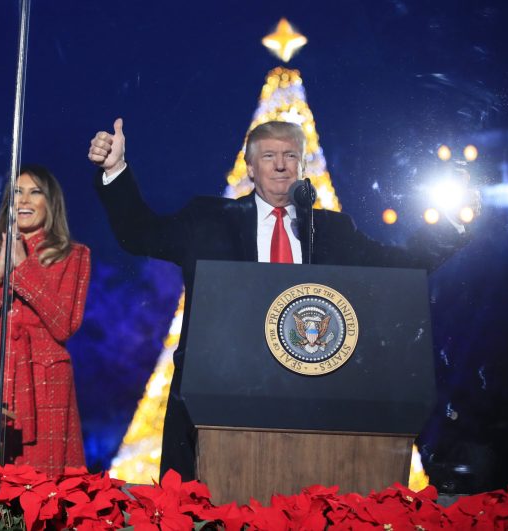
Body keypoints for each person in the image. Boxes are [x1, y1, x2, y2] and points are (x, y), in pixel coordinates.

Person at [88, 118, 473, 480]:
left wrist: (455, 223)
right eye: (268, 156)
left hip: (311, 403)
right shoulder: (208, 218)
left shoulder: (333, 230)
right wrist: (115, 169)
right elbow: (140, 233)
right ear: (250, 167)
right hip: (216, 396)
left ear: (303, 166)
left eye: (290, 156)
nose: (280, 166)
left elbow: (399, 265)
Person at [0, 165, 90, 477]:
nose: (24, 199)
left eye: (35, 191)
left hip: (44, 387)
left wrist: (24, 267)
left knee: (41, 488)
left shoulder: (72, 256)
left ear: (50, 202)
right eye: (17, 192)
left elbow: (63, 325)